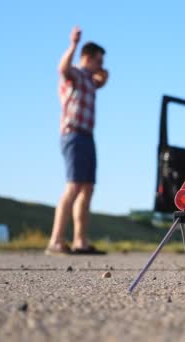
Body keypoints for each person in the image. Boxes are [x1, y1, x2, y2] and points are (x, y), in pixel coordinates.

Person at [46, 26, 109, 255]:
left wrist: (104, 76)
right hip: (72, 134)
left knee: (87, 188)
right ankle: (55, 241)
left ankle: (80, 241)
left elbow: (101, 82)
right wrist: (73, 44)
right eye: (98, 62)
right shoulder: (74, 73)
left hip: (88, 137)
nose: (100, 66)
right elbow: (61, 68)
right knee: (73, 186)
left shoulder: (90, 81)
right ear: (88, 58)